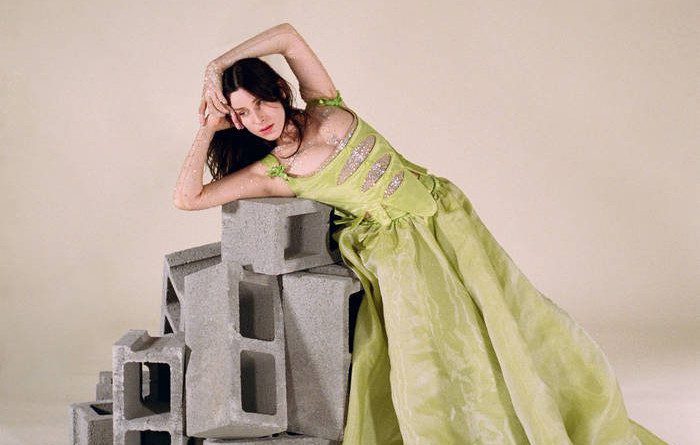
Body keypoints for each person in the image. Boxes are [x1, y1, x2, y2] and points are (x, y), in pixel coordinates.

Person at [173, 23, 668, 445]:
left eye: (259, 102)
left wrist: (218, 66)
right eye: (241, 114)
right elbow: (188, 197)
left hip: (445, 217)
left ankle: (545, 405)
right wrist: (208, 126)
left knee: (506, 320)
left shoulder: (325, 103)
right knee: (437, 351)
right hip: (397, 251)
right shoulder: (272, 173)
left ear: (279, 91)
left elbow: (286, 35)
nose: (255, 119)